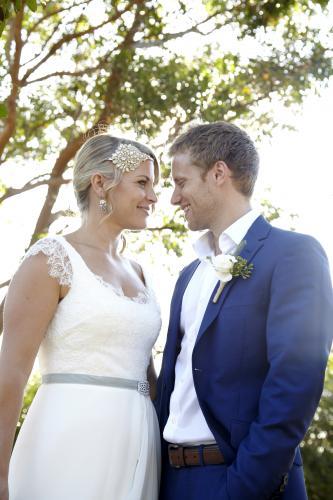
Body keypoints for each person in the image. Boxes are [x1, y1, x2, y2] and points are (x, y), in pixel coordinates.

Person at [155, 121, 333, 500]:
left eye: (181, 181)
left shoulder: (293, 254)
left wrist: (244, 486)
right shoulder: (189, 275)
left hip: (240, 481)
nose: (173, 197)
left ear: (219, 173)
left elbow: (295, 383)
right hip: (171, 482)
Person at [0, 132, 162, 500]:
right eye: (142, 183)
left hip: (139, 445)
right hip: (70, 437)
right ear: (101, 183)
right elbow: (10, 373)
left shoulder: (141, 273)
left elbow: (148, 375)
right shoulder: (51, 260)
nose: (153, 197)